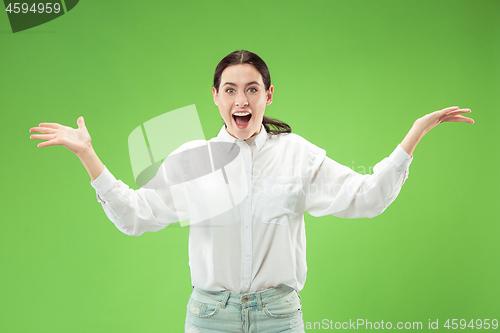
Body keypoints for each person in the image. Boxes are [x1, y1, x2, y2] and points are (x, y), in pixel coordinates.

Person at [29, 50, 474, 333]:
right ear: (216, 97)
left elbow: (367, 197)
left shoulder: (297, 155)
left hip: (280, 317)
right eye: (230, 90)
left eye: (252, 89)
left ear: (268, 95)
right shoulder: (191, 159)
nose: (241, 99)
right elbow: (133, 216)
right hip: (209, 319)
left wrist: (412, 137)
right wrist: (88, 155)